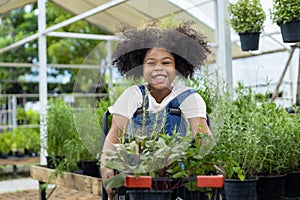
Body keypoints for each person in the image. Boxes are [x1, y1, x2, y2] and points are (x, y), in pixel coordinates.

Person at [100, 20, 211, 198]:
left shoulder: (189, 98)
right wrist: (106, 165)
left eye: (166, 63)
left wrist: (215, 167)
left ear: (177, 67)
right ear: (141, 67)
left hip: (177, 183)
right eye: (151, 63)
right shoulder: (132, 95)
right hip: (137, 183)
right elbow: (115, 133)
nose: (158, 68)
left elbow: (203, 137)